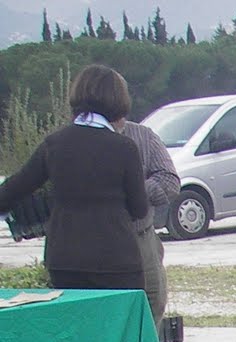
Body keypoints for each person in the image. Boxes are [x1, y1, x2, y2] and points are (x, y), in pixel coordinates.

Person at [0, 65, 147, 292]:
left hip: (65, 258)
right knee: (115, 326)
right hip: (116, 259)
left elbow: (14, 188)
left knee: (76, 325)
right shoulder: (124, 148)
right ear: (119, 101)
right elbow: (139, 209)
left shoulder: (54, 144)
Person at [117, 115, 178, 321]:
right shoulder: (76, 141)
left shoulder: (142, 136)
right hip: (95, 241)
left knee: (153, 305)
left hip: (141, 237)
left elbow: (170, 182)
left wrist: (134, 189)